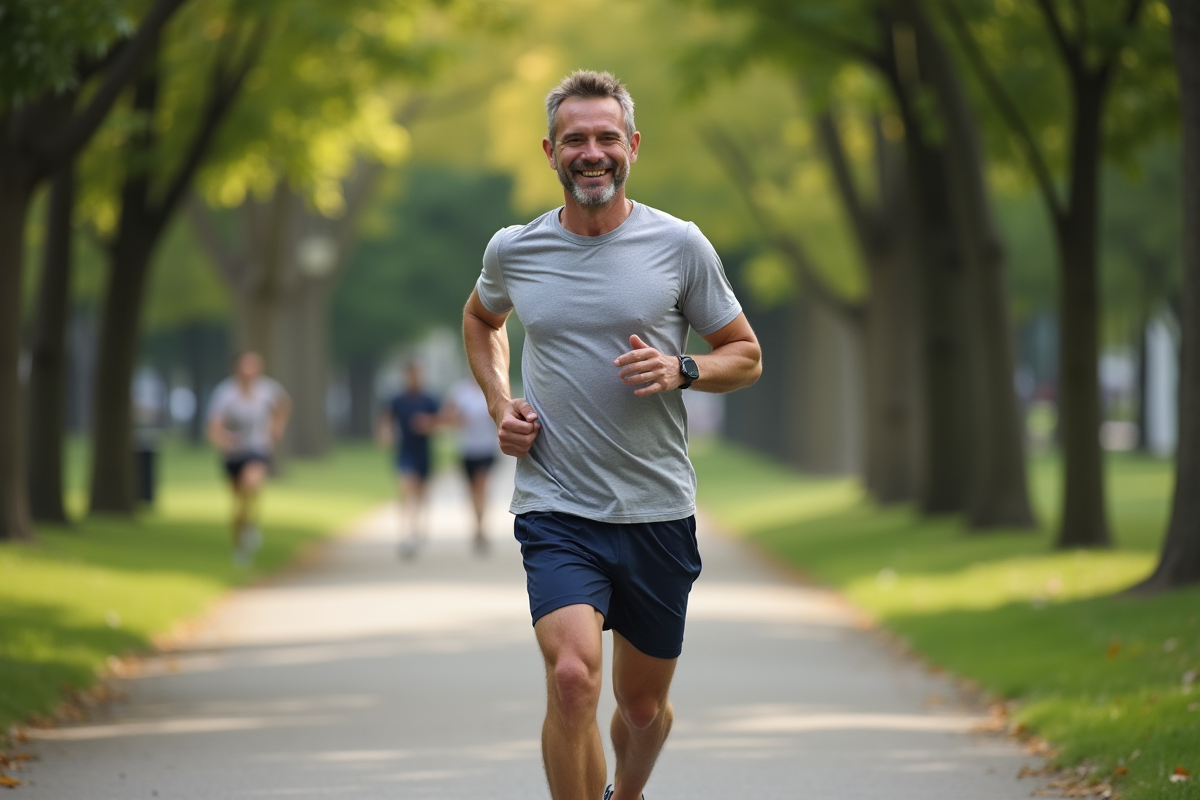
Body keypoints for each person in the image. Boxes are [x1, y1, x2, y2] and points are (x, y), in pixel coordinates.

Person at [462, 70, 761, 800]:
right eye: (575, 140)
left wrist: (683, 366)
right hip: (556, 504)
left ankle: (624, 792)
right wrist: (502, 401)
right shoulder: (515, 250)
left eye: (604, 138)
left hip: (656, 507)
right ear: (550, 151)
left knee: (641, 708)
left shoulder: (680, 245)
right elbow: (480, 320)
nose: (590, 152)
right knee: (571, 680)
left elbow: (745, 354)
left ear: (632, 146)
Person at [206, 351, 291, 567]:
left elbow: (284, 405)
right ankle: (240, 546)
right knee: (237, 504)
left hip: (257, 448)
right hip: (234, 452)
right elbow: (214, 425)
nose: (249, 372)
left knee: (251, 482)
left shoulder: (267, 389)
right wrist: (223, 441)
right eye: (245, 367)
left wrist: (276, 428)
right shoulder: (225, 393)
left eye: (253, 367)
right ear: (237, 369)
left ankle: (252, 525)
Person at [377, 360, 440, 558]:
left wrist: (428, 424)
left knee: (421, 492)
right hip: (405, 452)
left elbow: (440, 423)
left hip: (424, 452)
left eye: (417, 374)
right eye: (411, 374)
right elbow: (386, 420)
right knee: (406, 488)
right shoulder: (397, 400)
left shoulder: (429, 399)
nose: (414, 378)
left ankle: (418, 528)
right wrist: (385, 434)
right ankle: (407, 534)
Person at [441, 377, 500, 553]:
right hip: (466, 449)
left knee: (482, 486)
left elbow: (502, 415)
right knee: (472, 490)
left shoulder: (493, 388)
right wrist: (458, 419)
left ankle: (481, 529)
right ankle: (477, 525)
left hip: (486, 448)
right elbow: (448, 417)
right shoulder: (459, 391)